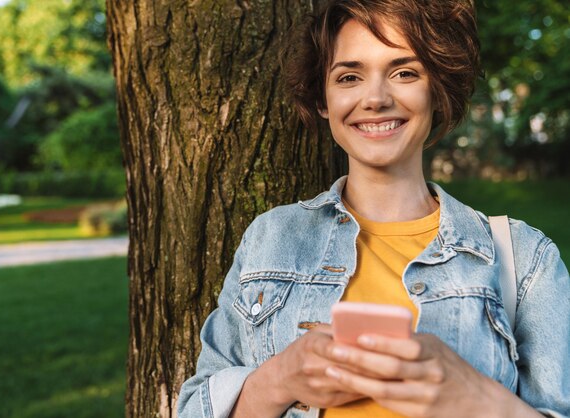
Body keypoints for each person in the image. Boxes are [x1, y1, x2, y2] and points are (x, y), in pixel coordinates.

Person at [178, 0, 570, 417]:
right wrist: (280, 379)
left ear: (437, 90)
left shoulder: (525, 260)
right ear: (323, 100)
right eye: (349, 77)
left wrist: (475, 398)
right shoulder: (271, 238)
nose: (376, 98)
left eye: (404, 73)